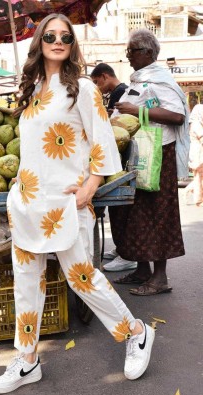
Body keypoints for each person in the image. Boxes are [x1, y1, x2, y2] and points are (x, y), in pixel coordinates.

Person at [0, 14, 155, 395]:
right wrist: (20, 179)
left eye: (66, 36)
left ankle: (137, 332)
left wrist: (91, 185)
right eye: (50, 35)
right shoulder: (30, 88)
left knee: (81, 277)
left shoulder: (81, 87)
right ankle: (27, 360)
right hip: (29, 201)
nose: (58, 40)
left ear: (72, 44)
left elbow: (101, 139)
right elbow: (33, 143)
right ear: (40, 41)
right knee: (27, 284)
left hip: (66, 200)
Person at [108, 29, 189, 295]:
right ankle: (142, 270)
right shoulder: (140, 79)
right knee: (133, 213)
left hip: (158, 155)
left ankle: (160, 278)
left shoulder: (160, 79)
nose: (128, 56)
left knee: (157, 214)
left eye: (131, 51)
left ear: (147, 53)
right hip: (138, 155)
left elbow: (176, 116)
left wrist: (137, 110)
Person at [90, 64, 137, 272]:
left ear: (105, 76)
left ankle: (127, 253)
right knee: (117, 213)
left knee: (120, 212)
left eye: (97, 82)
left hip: (114, 156)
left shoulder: (120, 92)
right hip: (111, 152)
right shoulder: (117, 93)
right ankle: (121, 250)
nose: (97, 88)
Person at [184, 104, 203, 206]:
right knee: (199, 177)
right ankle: (198, 200)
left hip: (198, 153)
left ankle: (188, 191)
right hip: (198, 155)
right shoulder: (196, 125)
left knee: (199, 178)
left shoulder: (197, 123)